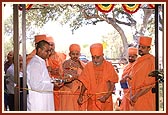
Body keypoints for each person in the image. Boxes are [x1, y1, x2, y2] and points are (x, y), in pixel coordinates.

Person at [77, 43, 119, 111]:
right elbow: (85, 83)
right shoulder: (88, 66)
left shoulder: (109, 66)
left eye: (98, 57)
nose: (95, 60)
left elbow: (112, 84)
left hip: (105, 102)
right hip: (92, 101)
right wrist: (81, 95)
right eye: (93, 57)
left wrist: (106, 96)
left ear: (102, 55)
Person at [27, 40, 58, 111]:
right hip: (38, 102)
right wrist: (53, 85)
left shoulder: (41, 61)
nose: (49, 53)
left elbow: (44, 80)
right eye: (47, 51)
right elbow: (35, 85)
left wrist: (53, 81)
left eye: (50, 51)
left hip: (43, 100)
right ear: (39, 50)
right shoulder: (35, 64)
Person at [129, 36, 156, 111]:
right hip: (135, 98)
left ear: (149, 49)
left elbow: (150, 83)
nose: (140, 49)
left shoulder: (151, 61)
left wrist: (136, 96)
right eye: (139, 46)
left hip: (145, 97)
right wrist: (132, 95)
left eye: (143, 47)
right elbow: (132, 79)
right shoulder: (138, 61)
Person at [59, 43, 87, 111]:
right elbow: (63, 78)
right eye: (73, 54)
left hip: (80, 93)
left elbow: (86, 78)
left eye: (77, 54)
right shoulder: (65, 64)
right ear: (69, 54)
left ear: (80, 54)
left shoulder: (83, 65)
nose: (75, 56)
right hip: (68, 93)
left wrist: (77, 77)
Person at [45, 36, 66, 111]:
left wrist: (58, 71)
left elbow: (65, 70)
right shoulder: (44, 58)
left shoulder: (62, 56)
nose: (51, 47)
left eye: (52, 44)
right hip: (49, 87)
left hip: (61, 86)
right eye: (49, 45)